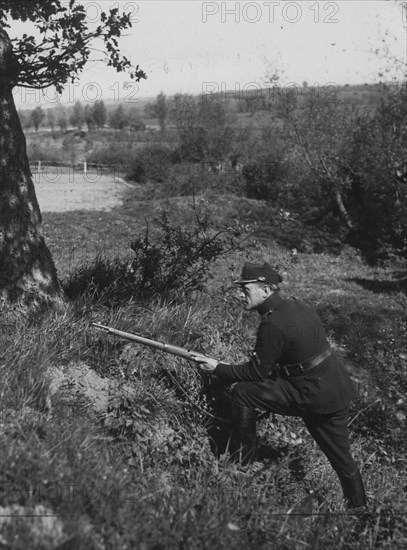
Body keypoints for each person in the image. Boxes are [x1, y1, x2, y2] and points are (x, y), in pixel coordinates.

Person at [192, 261, 366, 510]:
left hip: (311, 393)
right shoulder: (297, 305)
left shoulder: (272, 324)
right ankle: (360, 512)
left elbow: (255, 372)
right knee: (343, 460)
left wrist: (217, 368)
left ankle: (240, 466)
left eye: (246, 289)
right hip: (334, 386)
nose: (241, 294)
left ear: (264, 290)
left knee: (243, 393)